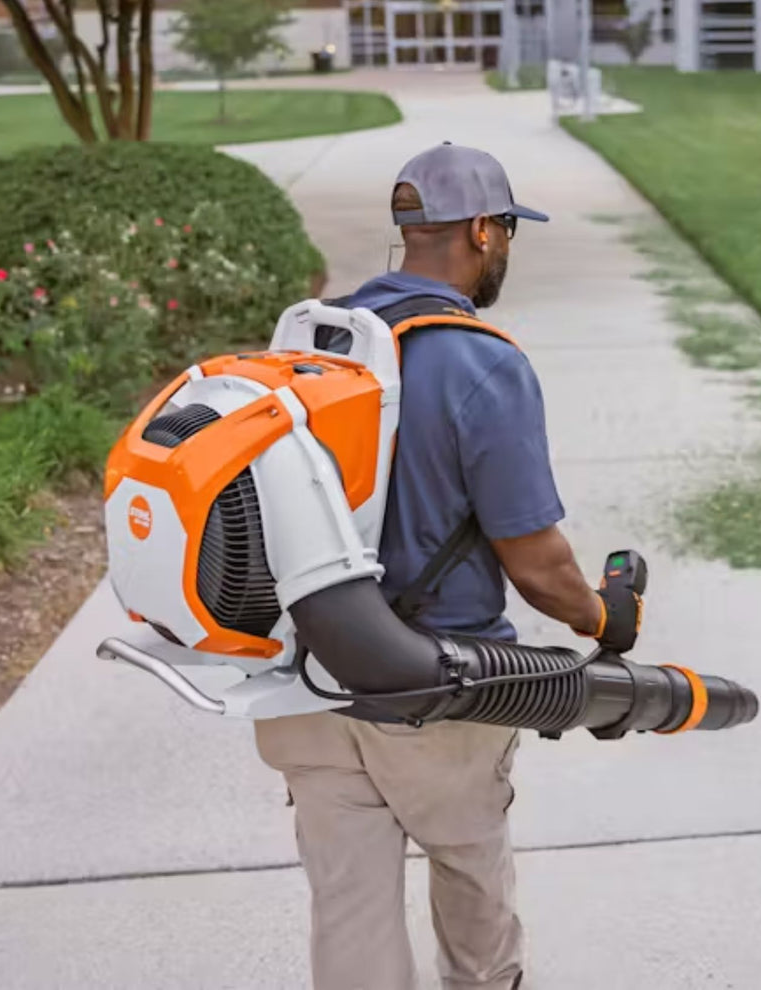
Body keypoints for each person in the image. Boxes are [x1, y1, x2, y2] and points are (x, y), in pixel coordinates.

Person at [254, 142, 643, 990]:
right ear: (480, 231)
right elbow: (538, 564)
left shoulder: (315, 339)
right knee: (472, 887)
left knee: (348, 914)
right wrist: (605, 618)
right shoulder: (481, 362)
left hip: (309, 682)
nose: (505, 245)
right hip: (439, 692)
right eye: (506, 229)